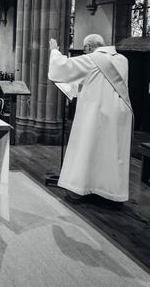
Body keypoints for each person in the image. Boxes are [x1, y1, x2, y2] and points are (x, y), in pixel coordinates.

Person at [48, 34, 133, 206]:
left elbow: (62, 68)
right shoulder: (122, 60)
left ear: (88, 47)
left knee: (89, 149)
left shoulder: (92, 60)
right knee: (112, 154)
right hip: (119, 113)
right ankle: (111, 194)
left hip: (97, 112)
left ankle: (81, 188)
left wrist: (54, 50)